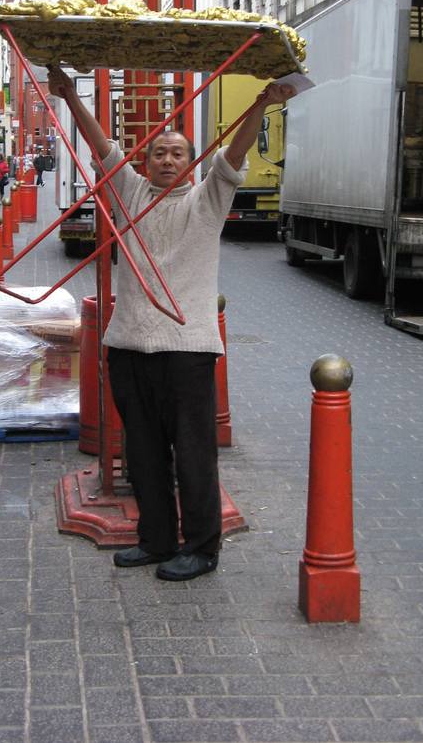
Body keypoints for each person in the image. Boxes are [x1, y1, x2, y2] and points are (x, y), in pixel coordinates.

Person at [49, 66, 296, 582]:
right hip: (130, 347)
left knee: (193, 455)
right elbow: (101, 147)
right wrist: (71, 96)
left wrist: (261, 105)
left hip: (186, 350)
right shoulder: (130, 195)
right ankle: (157, 540)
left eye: (177, 153)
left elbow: (232, 157)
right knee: (142, 454)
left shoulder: (207, 201)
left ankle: (202, 548)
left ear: (190, 162)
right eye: (158, 153)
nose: (166, 160)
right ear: (145, 161)